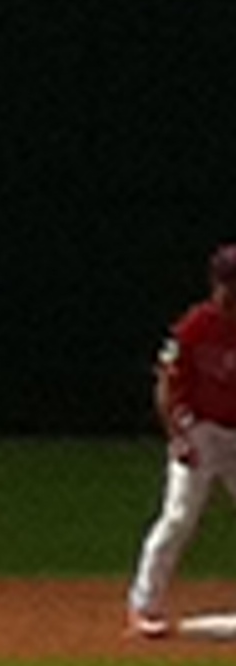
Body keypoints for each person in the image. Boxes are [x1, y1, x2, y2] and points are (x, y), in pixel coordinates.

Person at [127, 243, 236, 636]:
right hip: (201, 431)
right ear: (217, 284)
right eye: (230, 284)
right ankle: (144, 606)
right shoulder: (194, 326)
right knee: (178, 517)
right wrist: (178, 436)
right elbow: (166, 386)